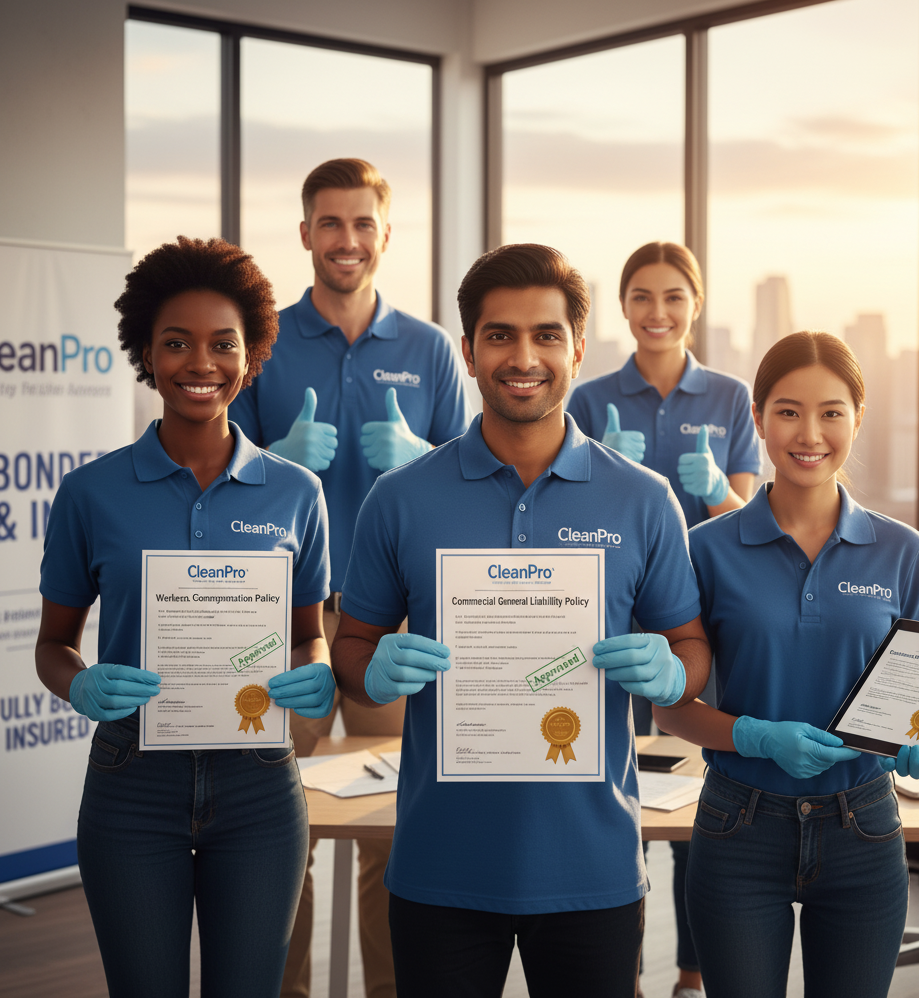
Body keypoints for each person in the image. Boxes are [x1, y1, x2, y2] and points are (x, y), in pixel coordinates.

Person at [332, 242, 713, 998]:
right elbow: (353, 646)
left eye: (546, 335)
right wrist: (370, 672)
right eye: (499, 335)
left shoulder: (643, 500)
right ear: (468, 352)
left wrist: (673, 674)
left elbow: (691, 648)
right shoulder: (400, 500)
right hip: (440, 865)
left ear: (577, 346)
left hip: (593, 867)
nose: (523, 356)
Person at [34, 237, 335, 998]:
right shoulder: (90, 493)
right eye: (176, 343)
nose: (201, 363)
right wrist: (79, 685)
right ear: (145, 352)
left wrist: (321, 672)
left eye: (222, 343)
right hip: (131, 782)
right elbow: (53, 645)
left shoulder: (296, 493)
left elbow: (310, 634)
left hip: (260, 784)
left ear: (253, 352)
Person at [228, 158, 472, 998]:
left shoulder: (432, 349)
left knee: (389, 824)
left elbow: (474, 491)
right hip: (281, 610)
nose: (347, 239)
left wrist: (426, 460)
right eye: (330, 223)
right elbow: (218, 486)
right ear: (305, 235)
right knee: (269, 822)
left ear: (385, 235)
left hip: (388, 617)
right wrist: (269, 461)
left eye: (363, 223)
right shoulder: (261, 345)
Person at [653, 330, 919, 998]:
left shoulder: (901, 550)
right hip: (738, 827)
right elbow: (669, 707)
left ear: (858, 417)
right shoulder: (706, 550)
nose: (809, 433)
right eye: (787, 411)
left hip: (864, 826)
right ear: (757, 418)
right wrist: (755, 736)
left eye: (831, 412)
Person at [567, 241, 760, 998]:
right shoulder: (588, 397)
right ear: (623, 307)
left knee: (696, 792)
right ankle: (627, 972)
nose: (658, 312)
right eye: (642, 296)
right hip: (613, 612)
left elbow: (744, 523)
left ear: (696, 305)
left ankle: (691, 973)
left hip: (698, 617)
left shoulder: (731, 397)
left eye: (674, 297)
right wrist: (607, 474)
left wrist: (714, 484)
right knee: (621, 788)